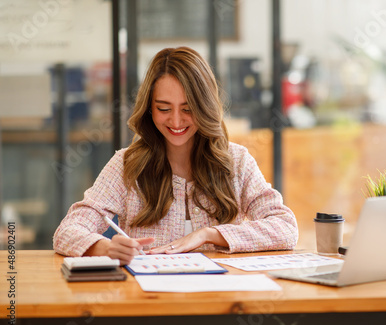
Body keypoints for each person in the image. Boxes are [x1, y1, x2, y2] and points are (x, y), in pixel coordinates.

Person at [53, 46, 298, 265]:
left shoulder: (236, 161)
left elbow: (286, 228)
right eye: (164, 108)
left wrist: (209, 235)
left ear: (205, 107)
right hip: (147, 302)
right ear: (149, 108)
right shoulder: (127, 164)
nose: (176, 121)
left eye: (188, 109)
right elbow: (67, 231)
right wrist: (106, 247)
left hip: (222, 303)